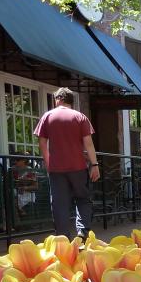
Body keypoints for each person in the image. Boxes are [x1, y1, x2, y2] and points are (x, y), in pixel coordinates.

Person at [33, 87, 99, 238]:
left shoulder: (47, 116)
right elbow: (88, 143)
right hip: (78, 167)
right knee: (82, 198)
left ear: (58, 99)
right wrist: (94, 165)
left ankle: (63, 238)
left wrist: (49, 164)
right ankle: (82, 232)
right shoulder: (80, 117)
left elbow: (42, 144)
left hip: (56, 169)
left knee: (59, 204)